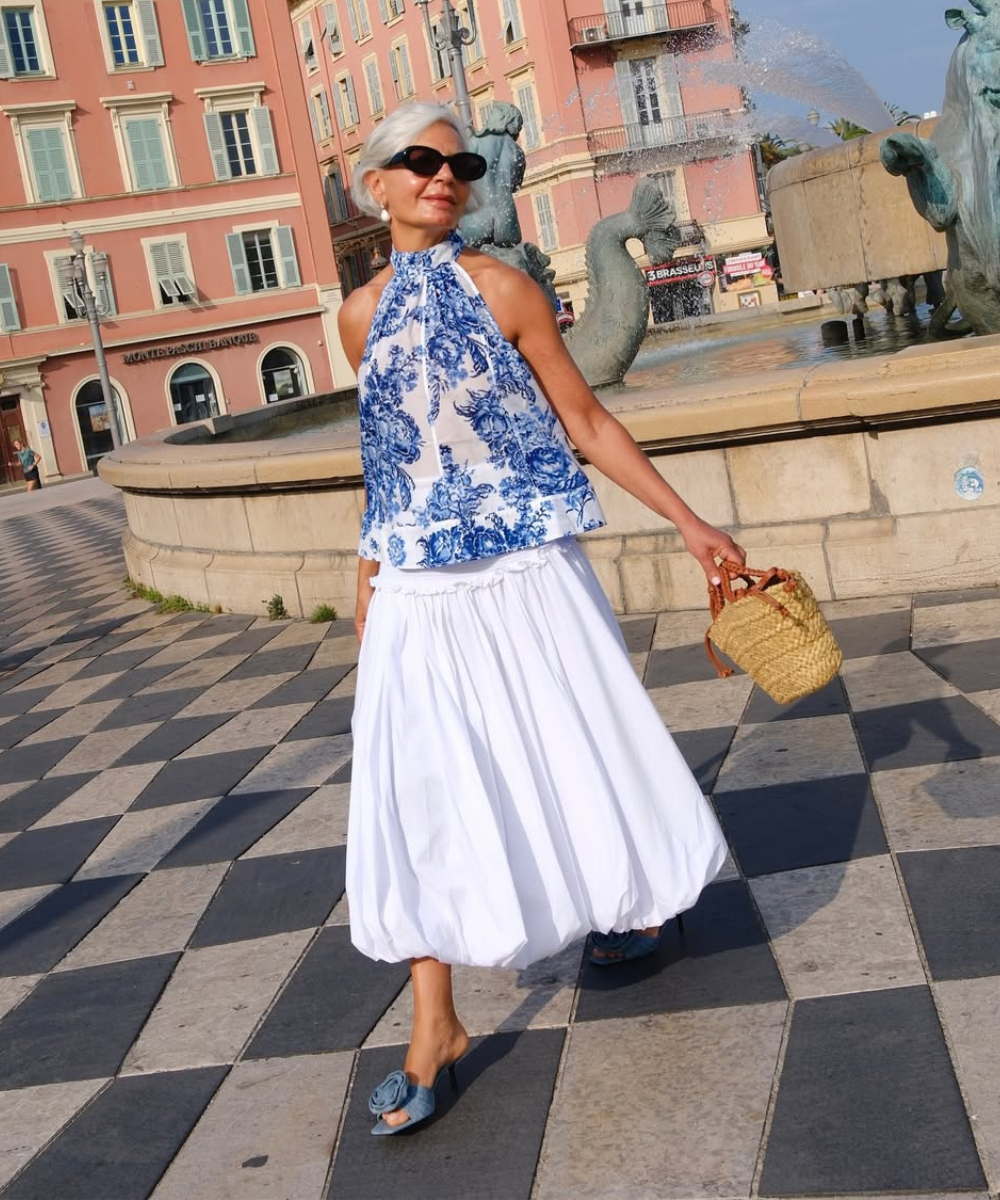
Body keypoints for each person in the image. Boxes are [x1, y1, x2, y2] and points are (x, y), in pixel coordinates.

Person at [338, 102, 746, 1137]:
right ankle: (434, 1026)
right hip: (416, 589)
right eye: (419, 161)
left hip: (526, 572)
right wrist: (367, 572)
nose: (444, 175)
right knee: (418, 790)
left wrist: (690, 525)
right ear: (372, 184)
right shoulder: (357, 314)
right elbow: (393, 460)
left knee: (570, 754)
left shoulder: (505, 288)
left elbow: (586, 422)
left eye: (458, 162)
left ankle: (619, 903)